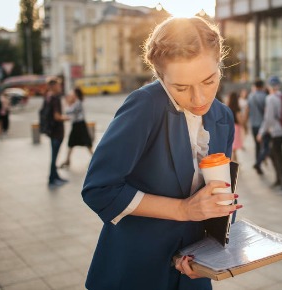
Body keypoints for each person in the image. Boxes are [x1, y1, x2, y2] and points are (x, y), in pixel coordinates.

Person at [81, 17, 242, 290]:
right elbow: (99, 189)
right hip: (137, 268)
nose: (199, 98)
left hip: (193, 268)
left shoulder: (223, 116)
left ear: (220, 64)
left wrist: (211, 252)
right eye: (181, 88)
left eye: (209, 80)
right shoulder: (144, 106)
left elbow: (218, 195)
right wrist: (183, 209)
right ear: (160, 76)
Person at [257, 76, 282, 195]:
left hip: (277, 132)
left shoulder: (271, 98)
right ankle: (279, 180)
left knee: (278, 157)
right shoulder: (281, 96)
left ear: (269, 86)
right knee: (272, 154)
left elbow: (268, 118)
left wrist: (261, 132)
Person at [41, 77, 70, 187]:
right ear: (53, 86)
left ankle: (55, 176)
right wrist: (66, 117)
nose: (60, 87)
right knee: (54, 156)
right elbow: (57, 116)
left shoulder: (48, 97)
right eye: (58, 85)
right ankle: (52, 179)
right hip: (57, 131)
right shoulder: (55, 99)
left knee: (54, 155)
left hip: (51, 130)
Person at [59, 87, 93, 168]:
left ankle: (95, 158)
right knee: (72, 142)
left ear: (76, 94)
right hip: (76, 125)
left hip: (80, 125)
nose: (71, 95)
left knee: (86, 142)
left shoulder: (78, 103)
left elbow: (69, 112)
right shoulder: (76, 102)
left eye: (72, 93)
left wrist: (66, 103)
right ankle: (67, 160)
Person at [246, 79, 268, 175]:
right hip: (263, 125)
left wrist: (244, 124)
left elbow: (247, 110)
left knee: (257, 146)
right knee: (266, 146)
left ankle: (258, 163)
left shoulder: (250, 96)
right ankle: (259, 163)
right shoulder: (265, 97)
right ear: (262, 86)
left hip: (253, 124)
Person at [226, 91, 244, 162]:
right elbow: (240, 121)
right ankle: (233, 164)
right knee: (234, 148)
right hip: (236, 128)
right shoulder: (237, 109)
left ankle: (235, 163)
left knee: (233, 148)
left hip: (229, 127)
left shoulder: (227, 108)